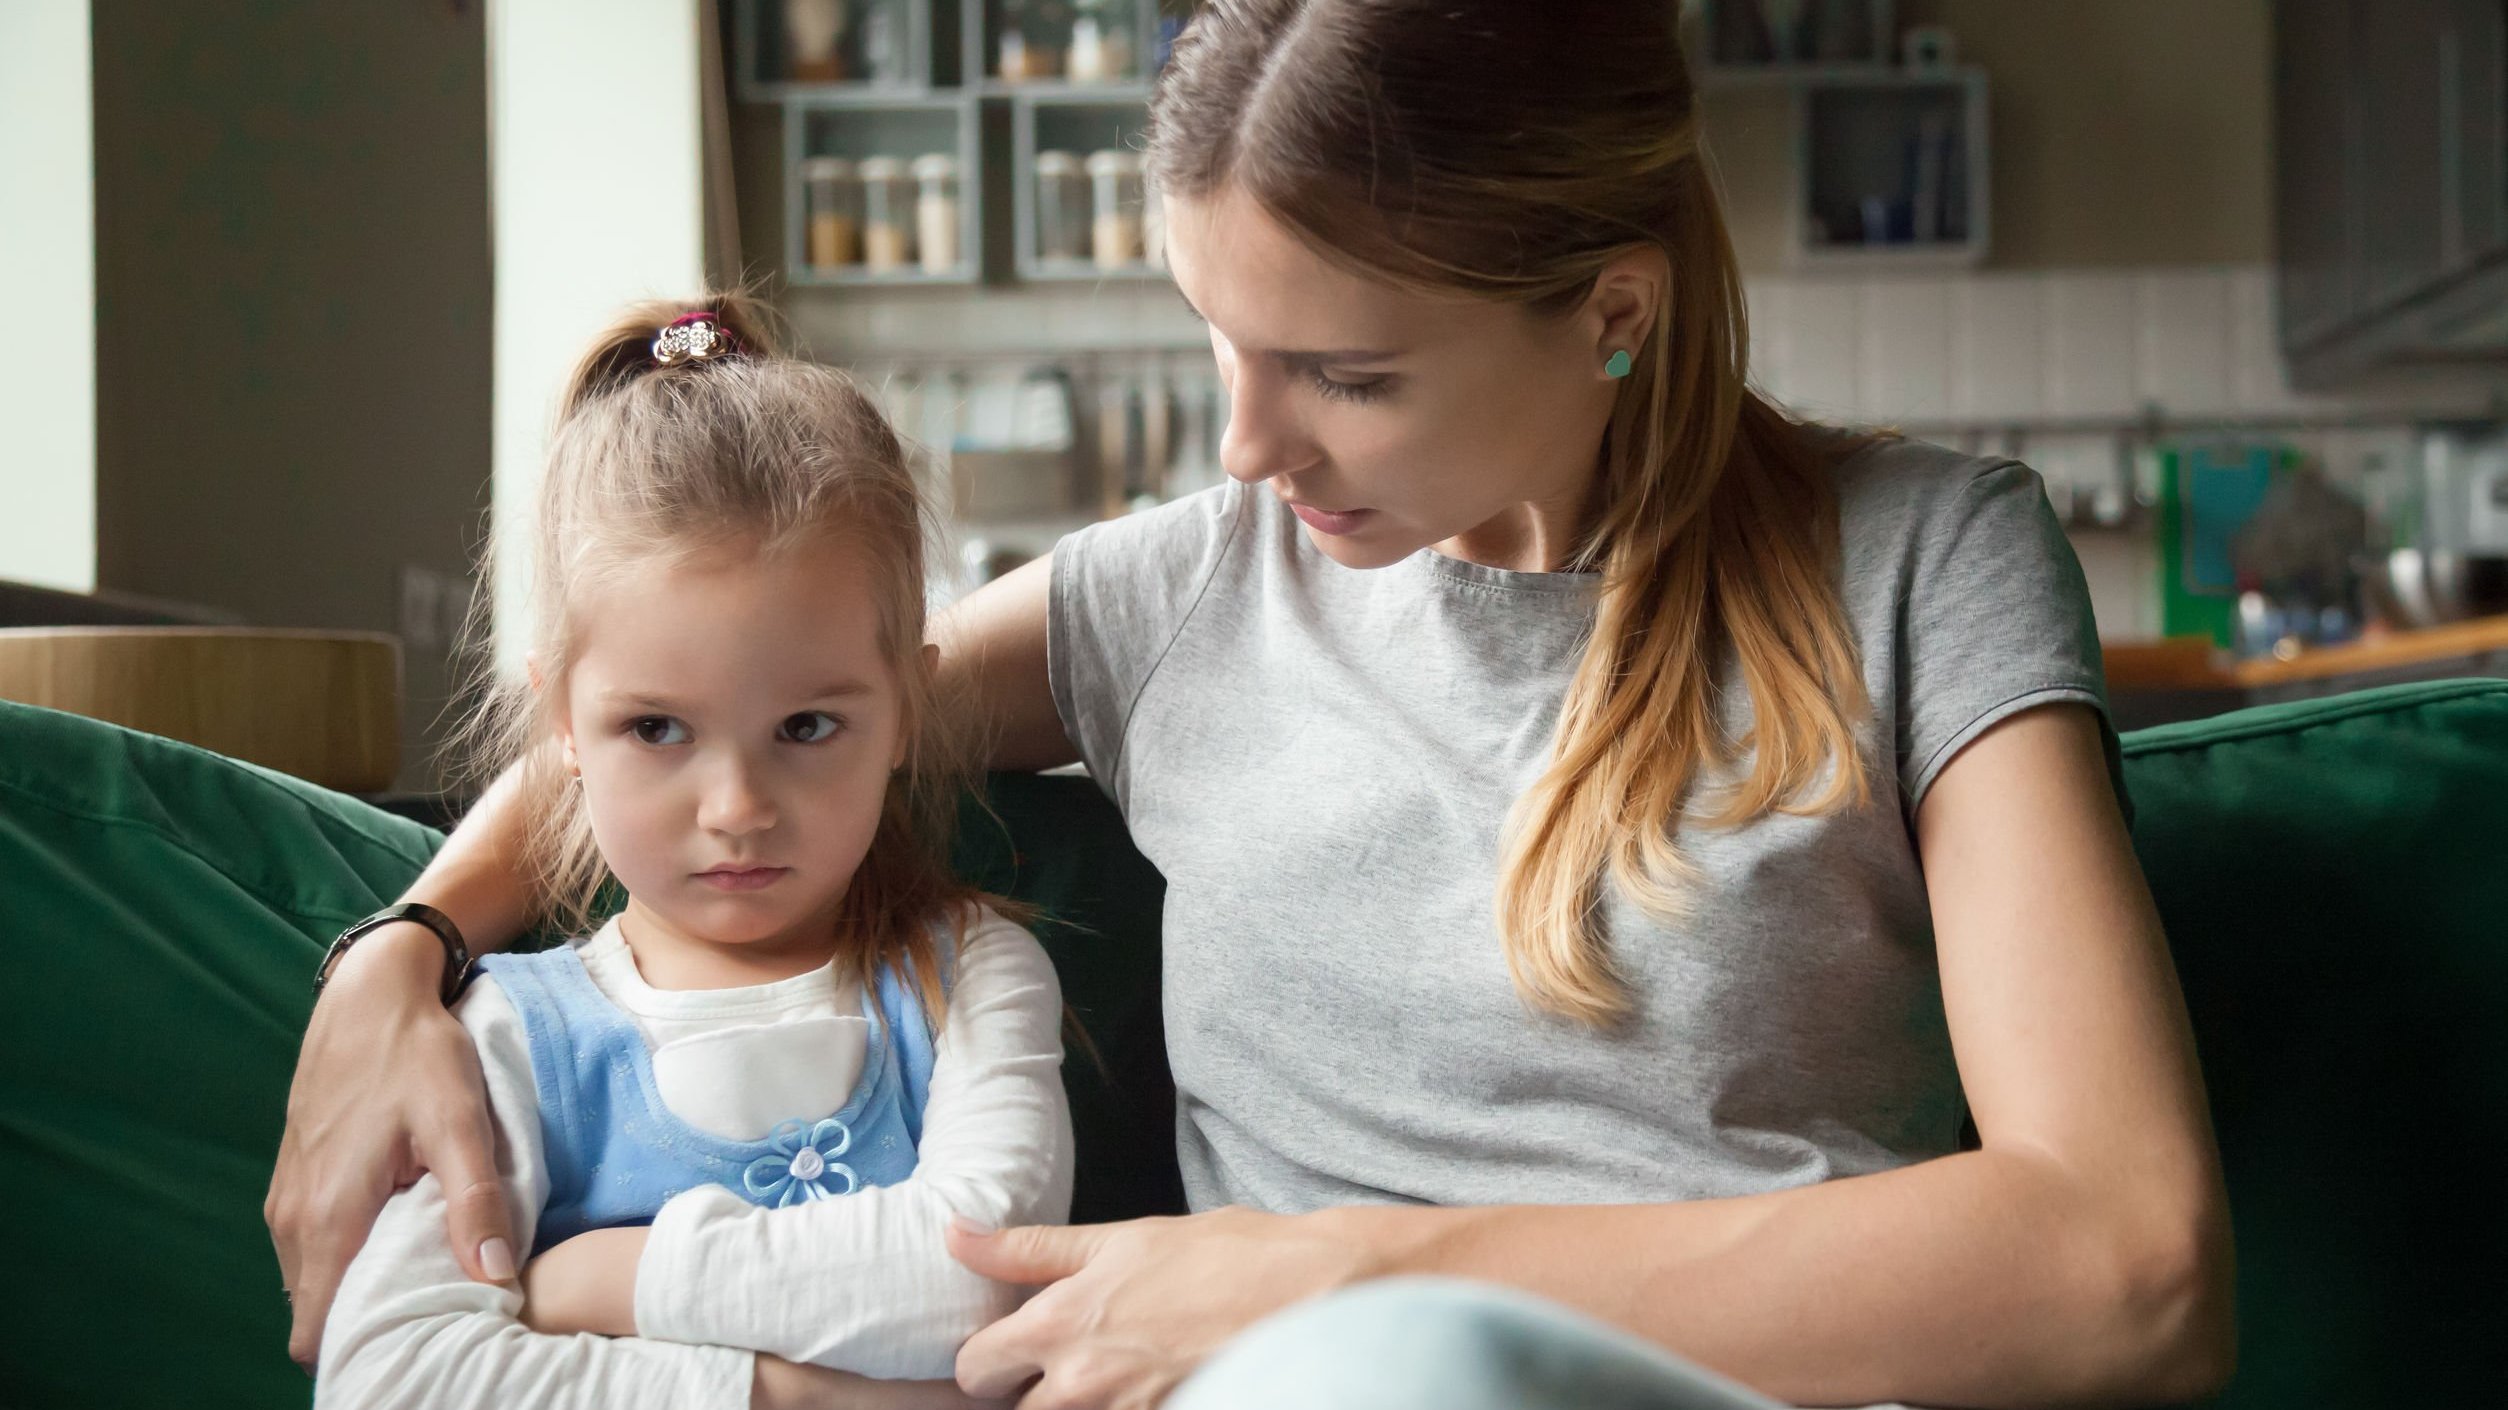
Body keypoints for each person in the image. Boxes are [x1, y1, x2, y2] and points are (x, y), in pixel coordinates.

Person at [270, 4, 2237, 1407]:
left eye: (1345, 372)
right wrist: (401, 954)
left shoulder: (1925, 560)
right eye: (1220, 343)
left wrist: (1338, 1272)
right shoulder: (1181, 594)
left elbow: (2129, 1267)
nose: (1246, 441)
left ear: (1612, 313)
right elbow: (723, 718)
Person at [308, 297, 1072, 1410]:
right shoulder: (513, 1032)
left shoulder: (973, 972)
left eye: (807, 728)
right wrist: (794, 1395)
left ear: (907, 706)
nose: (738, 808)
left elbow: (983, 1282)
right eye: (657, 729)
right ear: (562, 723)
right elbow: (389, 1378)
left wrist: (614, 1280)